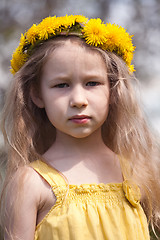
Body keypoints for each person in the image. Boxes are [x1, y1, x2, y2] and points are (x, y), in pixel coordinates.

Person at [0, 14, 160, 240]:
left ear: (113, 90)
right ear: (37, 94)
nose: (78, 100)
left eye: (92, 83)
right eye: (61, 85)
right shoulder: (31, 183)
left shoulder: (139, 173)